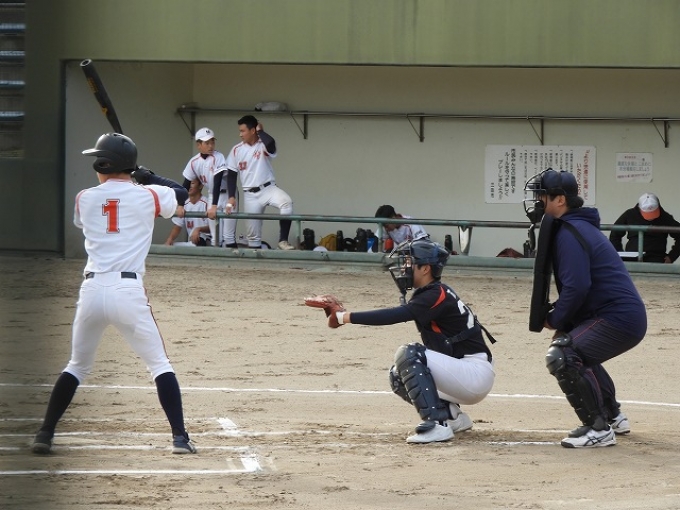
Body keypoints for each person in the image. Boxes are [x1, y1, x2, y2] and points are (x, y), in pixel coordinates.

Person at [31, 133, 197, 455]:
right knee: (159, 365)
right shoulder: (149, 195)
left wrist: (136, 180)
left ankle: (45, 433)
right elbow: (181, 193)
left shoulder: (84, 198)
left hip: (92, 290)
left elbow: (97, 215)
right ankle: (180, 438)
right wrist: (149, 177)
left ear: (104, 165)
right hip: (128, 290)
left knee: (77, 366)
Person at [310, 238, 496, 444]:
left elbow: (394, 315)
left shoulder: (435, 294)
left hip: (473, 373)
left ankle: (437, 426)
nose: (404, 267)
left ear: (425, 268)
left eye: (409, 262)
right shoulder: (432, 292)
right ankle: (453, 418)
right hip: (465, 371)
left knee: (409, 353)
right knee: (398, 375)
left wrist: (342, 317)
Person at [523, 169, 647, 448]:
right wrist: (561, 322)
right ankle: (612, 415)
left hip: (618, 318)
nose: (537, 201)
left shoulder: (570, 232)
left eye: (542, 196)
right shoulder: (575, 226)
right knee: (573, 345)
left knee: (563, 354)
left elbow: (577, 287)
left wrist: (555, 318)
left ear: (560, 200)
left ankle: (598, 428)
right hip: (618, 315)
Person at [211, 115, 295, 250]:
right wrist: (231, 197)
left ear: (252, 130)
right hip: (250, 195)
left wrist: (260, 131)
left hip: (268, 188)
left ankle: (283, 241)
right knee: (253, 238)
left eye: (243, 131)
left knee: (286, 202)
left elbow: (271, 144)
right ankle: (255, 262)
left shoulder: (263, 144)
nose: (240, 134)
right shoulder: (237, 149)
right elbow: (232, 175)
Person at [182, 127, 238, 247]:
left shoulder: (218, 156)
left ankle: (234, 259)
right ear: (198, 145)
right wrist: (180, 205)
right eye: (207, 143)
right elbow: (185, 184)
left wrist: (213, 206)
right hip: (213, 194)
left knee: (228, 237)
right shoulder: (194, 161)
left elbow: (217, 182)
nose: (211, 146)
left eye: (212, 142)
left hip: (228, 194)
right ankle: (217, 260)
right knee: (215, 238)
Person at [609, 192, 680, 263]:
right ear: (639, 208)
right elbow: (615, 234)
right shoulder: (630, 214)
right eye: (647, 213)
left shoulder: (665, 217)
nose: (651, 218)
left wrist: (672, 257)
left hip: (656, 258)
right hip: (632, 257)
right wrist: (619, 255)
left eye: (654, 212)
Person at [165, 179, 211, 247]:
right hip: (192, 243)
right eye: (188, 183)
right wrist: (169, 240)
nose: (189, 186)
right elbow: (177, 225)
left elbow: (213, 228)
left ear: (200, 186)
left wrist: (199, 229)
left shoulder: (207, 203)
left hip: (207, 242)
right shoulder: (183, 204)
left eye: (192, 183)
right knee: (170, 247)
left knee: (200, 240)